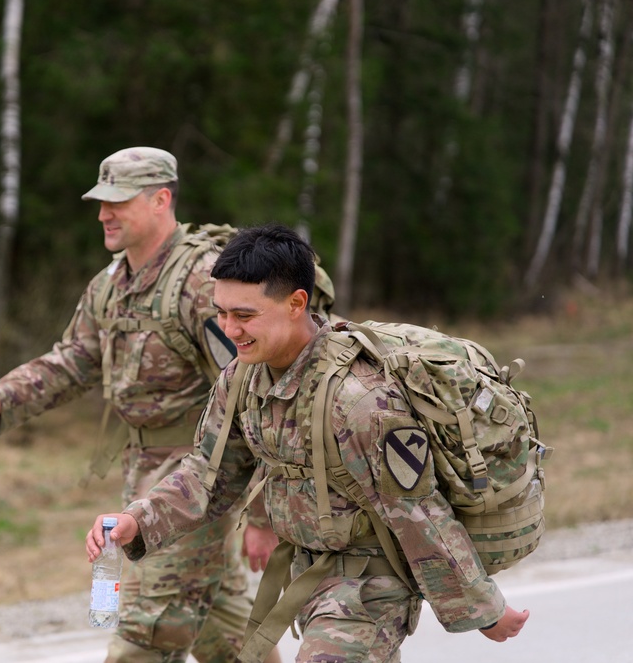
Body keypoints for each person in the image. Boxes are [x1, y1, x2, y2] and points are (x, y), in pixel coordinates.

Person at [86, 223, 529, 662]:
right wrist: (137, 521)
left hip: (371, 585)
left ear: (297, 303)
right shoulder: (241, 377)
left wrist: (484, 610)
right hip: (309, 574)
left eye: (244, 315)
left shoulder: (359, 399)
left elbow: (418, 512)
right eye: (221, 312)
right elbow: (209, 475)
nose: (228, 329)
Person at [0, 147, 289, 663]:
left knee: (145, 632)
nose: (104, 214)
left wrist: (264, 513)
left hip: (194, 485)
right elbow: (74, 359)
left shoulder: (201, 283)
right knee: (222, 632)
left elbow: (257, 395)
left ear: (160, 200)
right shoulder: (111, 284)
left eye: (118, 202)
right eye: (101, 203)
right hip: (143, 475)